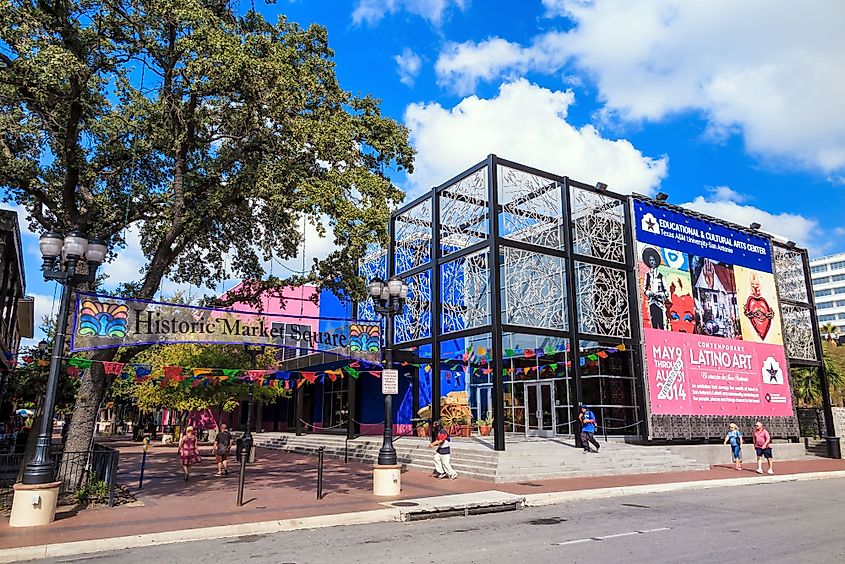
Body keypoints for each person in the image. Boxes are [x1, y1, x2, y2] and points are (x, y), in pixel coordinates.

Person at [642, 247, 668, 330]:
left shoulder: (660, 275)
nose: (652, 262)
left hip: (660, 303)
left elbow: (666, 292)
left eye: (653, 260)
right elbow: (644, 288)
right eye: (650, 260)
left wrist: (661, 294)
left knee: (661, 324)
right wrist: (648, 293)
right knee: (653, 322)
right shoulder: (647, 275)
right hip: (652, 302)